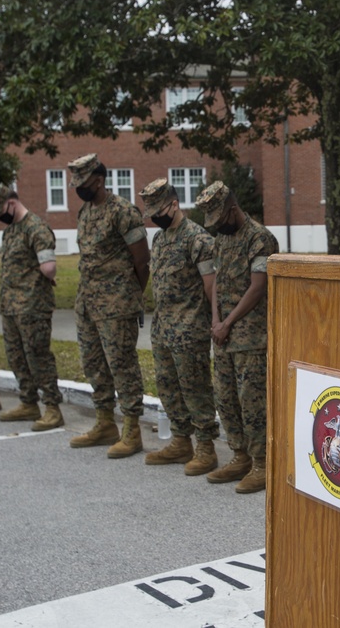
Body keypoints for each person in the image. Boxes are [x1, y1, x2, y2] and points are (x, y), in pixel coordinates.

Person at [195, 181, 278, 494]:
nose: (216, 225)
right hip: (224, 336)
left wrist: (228, 321)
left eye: (219, 218)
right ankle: (239, 456)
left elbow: (258, 287)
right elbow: (216, 282)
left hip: (251, 338)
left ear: (232, 209)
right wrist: (216, 320)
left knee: (252, 403)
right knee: (226, 399)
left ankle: (261, 463)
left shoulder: (259, 238)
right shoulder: (222, 238)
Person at [67, 153, 150, 458]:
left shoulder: (123, 212)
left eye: (82, 182)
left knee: (122, 366)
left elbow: (142, 260)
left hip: (117, 304)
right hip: (87, 302)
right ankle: (105, 422)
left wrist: (129, 296)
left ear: (99, 181)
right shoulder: (85, 212)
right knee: (94, 364)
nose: (78, 188)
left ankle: (131, 429)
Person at [138, 178, 220, 474]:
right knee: (168, 386)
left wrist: (215, 322)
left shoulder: (198, 239)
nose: (155, 216)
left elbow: (212, 288)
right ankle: (181, 441)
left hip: (189, 329)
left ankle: (206, 448)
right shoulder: (159, 239)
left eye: (159, 209)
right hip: (163, 329)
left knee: (195, 388)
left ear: (174, 205)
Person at [0, 185, 64, 431]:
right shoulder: (11, 231)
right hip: (11, 306)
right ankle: (28, 402)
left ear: (12, 203)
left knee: (38, 356)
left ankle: (52, 407)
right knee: (16, 356)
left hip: (32, 306)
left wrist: (42, 276)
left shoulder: (36, 228)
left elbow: (49, 267)